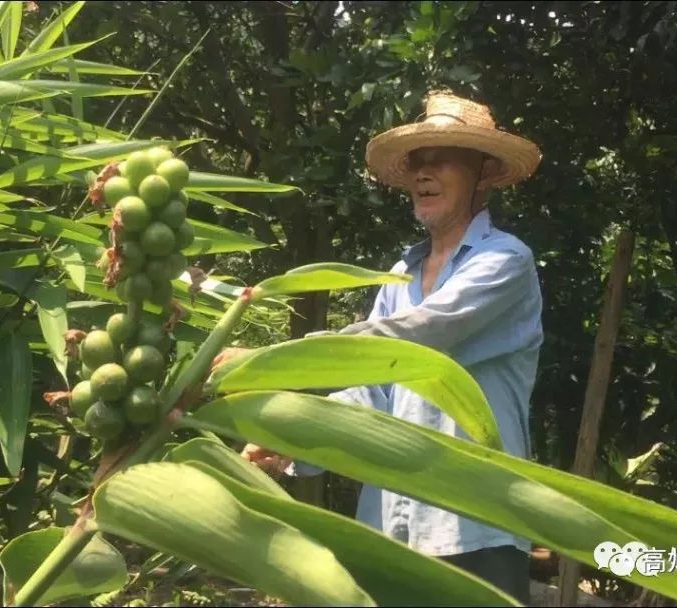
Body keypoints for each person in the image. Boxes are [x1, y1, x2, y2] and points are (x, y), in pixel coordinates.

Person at [212, 90, 544, 604]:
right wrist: (291, 435)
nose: (422, 174)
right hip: (393, 525)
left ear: (481, 171)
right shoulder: (399, 274)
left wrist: (271, 364)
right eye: (417, 162)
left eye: (442, 159)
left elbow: (418, 333)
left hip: (476, 521)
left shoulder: (505, 261)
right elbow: (375, 391)